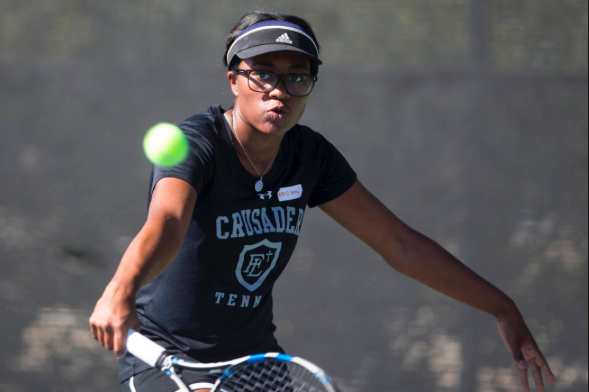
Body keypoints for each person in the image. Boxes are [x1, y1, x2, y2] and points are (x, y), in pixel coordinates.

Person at [89, 11, 557, 392]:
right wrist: (120, 289)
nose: (280, 89)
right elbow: (168, 222)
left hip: (255, 361)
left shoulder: (310, 157)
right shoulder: (198, 143)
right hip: (165, 357)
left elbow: (401, 245)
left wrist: (502, 307)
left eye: (298, 77)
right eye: (264, 73)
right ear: (234, 80)